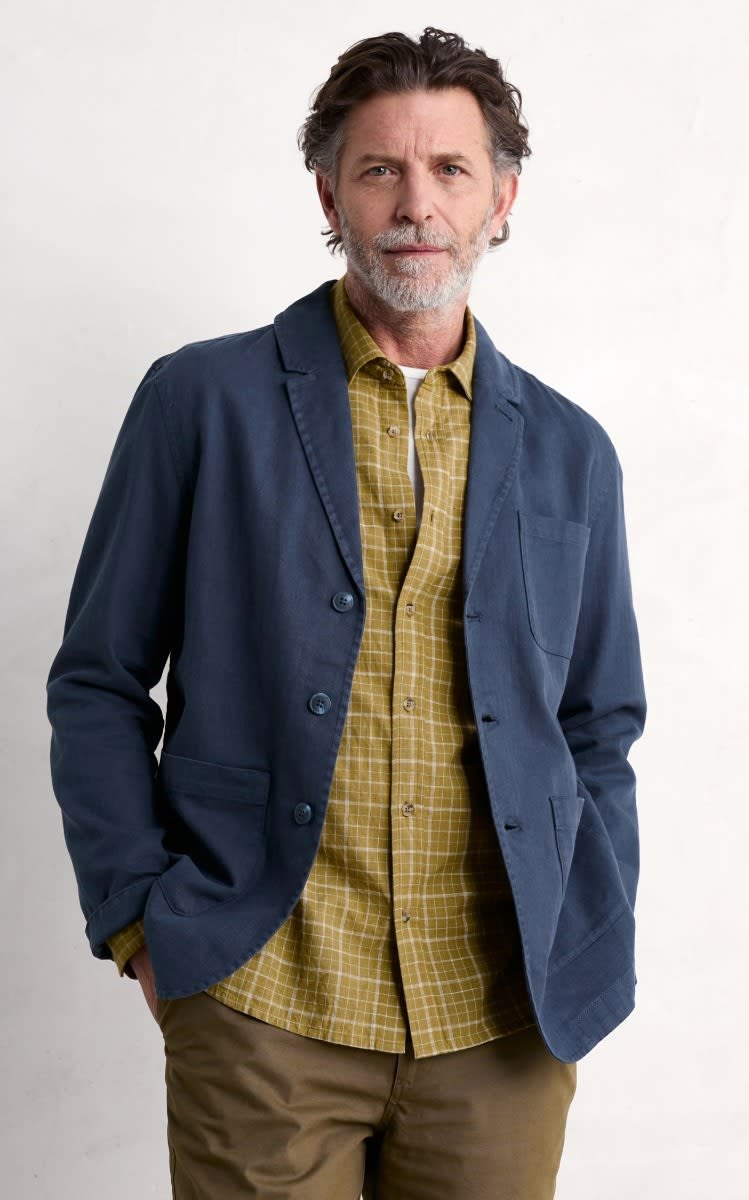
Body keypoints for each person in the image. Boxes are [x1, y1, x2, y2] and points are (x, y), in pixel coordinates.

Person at [46, 26, 647, 1200]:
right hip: (261, 1003)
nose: (415, 203)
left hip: (501, 1022)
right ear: (329, 194)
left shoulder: (570, 450)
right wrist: (142, 925)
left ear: (500, 198)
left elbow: (597, 725)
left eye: (449, 169)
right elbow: (99, 680)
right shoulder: (202, 400)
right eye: (380, 169)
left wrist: (590, 920)